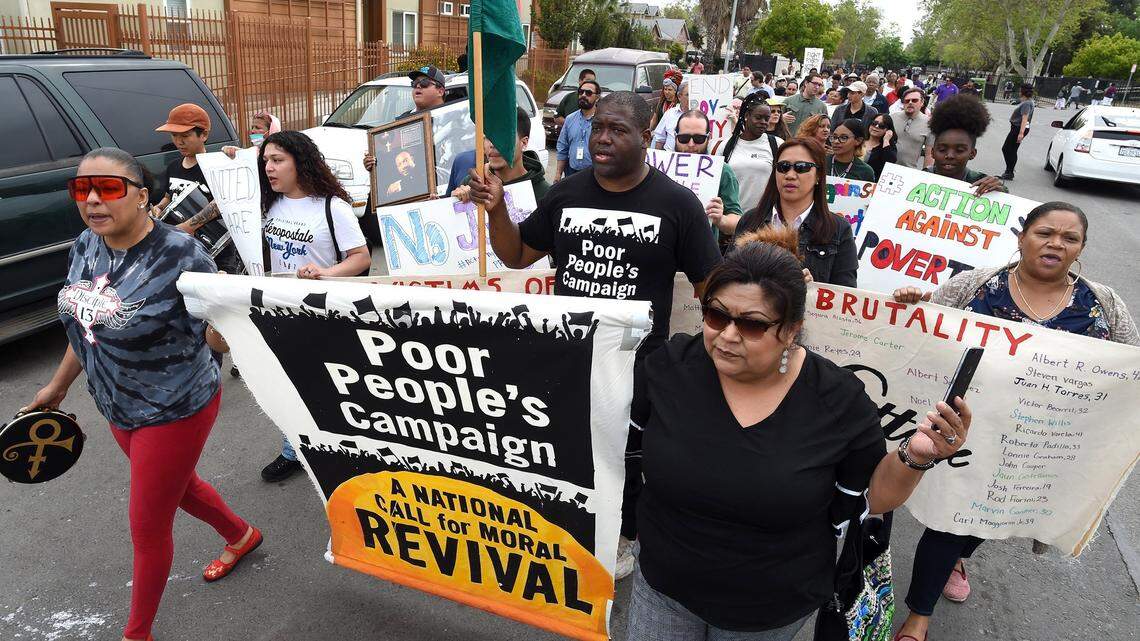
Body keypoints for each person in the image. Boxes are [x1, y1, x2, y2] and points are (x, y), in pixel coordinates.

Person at [627, 240, 971, 641]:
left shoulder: (838, 400)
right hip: (662, 587)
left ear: (790, 331)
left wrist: (916, 456)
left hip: (770, 607)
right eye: (716, 316)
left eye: (752, 324)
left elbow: (873, 498)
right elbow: (624, 447)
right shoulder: (668, 367)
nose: (727, 336)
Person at [467, 91, 722, 581]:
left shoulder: (678, 205)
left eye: (618, 129)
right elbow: (517, 256)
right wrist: (498, 210)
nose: (602, 137)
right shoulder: (567, 192)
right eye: (599, 126)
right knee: (567, 447)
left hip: (636, 366)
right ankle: (571, 527)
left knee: (624, 458)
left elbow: (710, 286)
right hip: (567, 359)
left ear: (647, 137)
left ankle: (625, 536)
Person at [29, 147, 258, 641]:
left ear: (142, 195)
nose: (92, 199)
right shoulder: (86, 245)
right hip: (115, 401)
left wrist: (222, 323)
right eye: (81, 189)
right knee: (182, 489)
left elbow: (218, 335)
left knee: (147, 527)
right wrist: (59, 384)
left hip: (174, 407)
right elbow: (86, 323)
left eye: (108, 188)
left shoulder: (181, 254)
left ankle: (137, 634)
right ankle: (242, 536)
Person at [891, 202, 1137, 641]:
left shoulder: (1104, 304)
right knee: (951, 519)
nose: (1055, 244)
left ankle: (958, 557)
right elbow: (927, 336)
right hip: (965, 437)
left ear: (1080, 249)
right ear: (1022, 237)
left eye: (1069, 238)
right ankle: (919, 616)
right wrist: (914, 307)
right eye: (1045, 233)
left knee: (990, 518)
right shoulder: (975, 285)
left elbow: (1131, 369)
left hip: (1040, 447)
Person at [259, 131, 371, 481]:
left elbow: (361, 258)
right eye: (265, 161)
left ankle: (351, 450)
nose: (269, 168)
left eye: (277, 160)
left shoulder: (331, 206)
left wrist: (324, 274)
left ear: (300, 162)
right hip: (278, 311)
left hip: (324, 315)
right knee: (286, 385)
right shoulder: (267, 204)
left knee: (331, 386)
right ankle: (293, 450)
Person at [735, 138, 858, 286]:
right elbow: (728, 277)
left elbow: (844, 294)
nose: (790, 175)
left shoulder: (838, 229)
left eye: (801, 167)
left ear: (818, 175)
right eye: (783, 167)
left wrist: (812, 290)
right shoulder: (751, 220)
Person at [674, 109, 743, 251]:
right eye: (684, 138)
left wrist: (721, 219)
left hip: (701, 254)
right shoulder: (659, 167)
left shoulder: (723, 171)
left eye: (699, 139)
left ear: (709, 137)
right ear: (675, 137)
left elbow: (736, 221)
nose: (691, 144)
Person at [452, 107, 552, 202]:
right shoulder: (473, 184)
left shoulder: (545, 194)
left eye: (502, 137)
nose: (492, 144)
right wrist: (454, 202)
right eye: (488, 137)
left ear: (524, 143)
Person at [711, 93, 782, 218]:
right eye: (758, 117)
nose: (763, 122)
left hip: (764, 221)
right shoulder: (725, 146)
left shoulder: (777, 144)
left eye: (767, 118)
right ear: (747, 116)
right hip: (731, 220)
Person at [927, 95, 1006, 196]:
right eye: (942, 149)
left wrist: (1000, 191)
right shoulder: (918, 177)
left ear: (972, 153)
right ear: (932, 152)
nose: (950, 155)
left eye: (959, 150)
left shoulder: (981, 182)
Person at [151, 103, 213, 224]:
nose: (179, 142)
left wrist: (189, 226)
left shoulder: (214, 168)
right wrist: (159, 208)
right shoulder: (173, 166)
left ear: (204, 135)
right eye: (174, 135)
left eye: (185, 135)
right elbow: (168, 197)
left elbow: (220, 206)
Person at [556, 79, 601, 180]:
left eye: (588, 93)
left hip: (595, 174)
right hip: (571, 172)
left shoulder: (602, 120)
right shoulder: (570, 119)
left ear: (597, 97)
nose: (583, 95)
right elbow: (562, 147)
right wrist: (558, 174)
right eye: (581, 92)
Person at [891, 86, 935, 170]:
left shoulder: (930, 124)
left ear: (922, 102)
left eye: (914, 100)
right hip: (885, 168)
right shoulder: (892, 118)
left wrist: (926, 174)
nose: (910, 103)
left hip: (909, 172)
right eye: (907, 101)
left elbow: (929, 154)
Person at [1000, 83, 1034, 181]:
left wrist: (1021, 133)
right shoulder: (1027, 101)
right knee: (1010, 149)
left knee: (1007, 149)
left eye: (1020, 90)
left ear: (1023, 91)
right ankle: (1009, 171)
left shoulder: (1027, 103)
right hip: (1017, 127)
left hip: (1019, 128)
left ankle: (1009, 172)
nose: (1019, 91)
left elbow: (1025, 118)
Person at [781, 72, 828, 137]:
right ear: (806, 83)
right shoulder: (789, 101)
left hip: (807, 143)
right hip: (788, 141)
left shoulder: (821, 106)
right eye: (815, 83)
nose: (817, 87)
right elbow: (774, 120)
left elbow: (824, 128)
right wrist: (781, 118)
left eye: (819, 85)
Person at [652, 80, 691, 151]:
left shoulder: (703, 116)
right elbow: (659, 139)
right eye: (688, 95)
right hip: (669, 159)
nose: (692, 98)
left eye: (669, 89)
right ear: (679, 96)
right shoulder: (670, 113)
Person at [864, 113, 898, 180]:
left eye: (881, 126)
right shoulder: (859, 140)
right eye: (874, 123)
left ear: (888, 130)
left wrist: (886, 140)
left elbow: (890, 163)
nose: (876, 126)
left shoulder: (887, 147)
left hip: (871, 184)